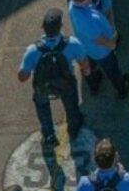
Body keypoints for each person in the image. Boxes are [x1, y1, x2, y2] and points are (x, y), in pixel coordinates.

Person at [19, 8, 87, 149]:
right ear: (61, 26)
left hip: (42, 87)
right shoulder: (73, 43)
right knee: (71, 106)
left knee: (42, 106)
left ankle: (49, 135)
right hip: (66, 84)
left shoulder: (33, 50)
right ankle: (73, 128)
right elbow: (85, 66)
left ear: (42, 27)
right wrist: (86, 71)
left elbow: (22, 77)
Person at [69, 0, 129, 98]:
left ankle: (94, 86)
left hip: (86, 48)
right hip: (102, 52)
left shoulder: (72, 5)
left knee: (90, 68)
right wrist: (112, 45)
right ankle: (122, 89)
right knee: (113, 71)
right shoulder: (86, 20)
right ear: (77, 1)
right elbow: (99, 40)